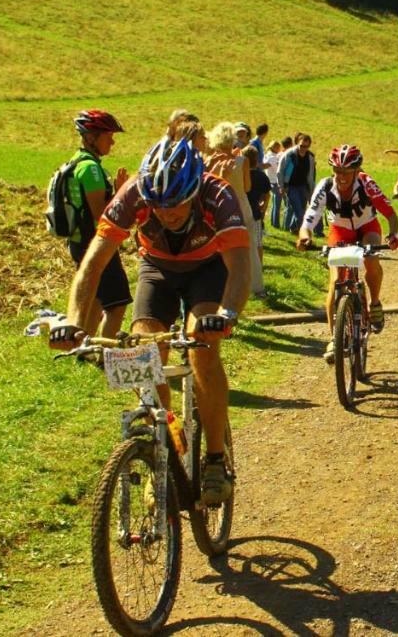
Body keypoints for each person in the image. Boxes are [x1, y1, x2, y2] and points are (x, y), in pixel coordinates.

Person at [50, 138, 250, 506]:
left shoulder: (217, 195)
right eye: (159, 206)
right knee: (143, 351)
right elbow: (92, 264)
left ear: (193, 191)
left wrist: (227, 315)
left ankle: (215, 461)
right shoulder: (133, 195)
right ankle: (164, 443)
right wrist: (75, 321)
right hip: (157, 268)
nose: (167, 214)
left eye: (176, 205)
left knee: (202, 348)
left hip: (207, 270)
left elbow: (240, 265)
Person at [296, 145, 398, 362]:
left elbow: (390, 214)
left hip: (367, 226)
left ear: (356, 170)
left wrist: (393, 235)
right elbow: (309, 218)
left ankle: (375, 302)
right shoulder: (325, 186)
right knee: (335, 282)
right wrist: (305, 236)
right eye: (337, 171)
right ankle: (334, 337)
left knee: (371, 259)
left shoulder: (366, 183)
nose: (341, 176)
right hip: (340, 230)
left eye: (346, 171)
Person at [62, 110, 132, 339]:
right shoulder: (90, 169)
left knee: (97, 300)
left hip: (79, 241)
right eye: (108, 136)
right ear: (91, 137)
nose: (112, 141)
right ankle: (106, 354)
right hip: (95, 242)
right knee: (118, 303)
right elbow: (100, 213)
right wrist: (122, 192)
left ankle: (83, 347)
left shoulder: (76, 162)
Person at [208, 122, 262, 295]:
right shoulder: (242, 160)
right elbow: (247, 187)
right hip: (241, 203)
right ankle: (254, 285)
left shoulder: (211, 163)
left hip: (222, 206)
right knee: (250, 245)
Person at [243, 145, 271, 277]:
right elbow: (267, 195)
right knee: (258, 243)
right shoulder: (261, 176)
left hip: (241, 213)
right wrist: (264, 208)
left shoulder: (241, 175)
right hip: (255, 213)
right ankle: (259, 267)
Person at [280, 133, 315, 234]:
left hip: (303, 187)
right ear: (297, 143)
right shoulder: (289, 154)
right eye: (301, 146)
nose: (303, 148)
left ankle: (292, 228)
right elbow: (280, 171)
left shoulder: (310, 157)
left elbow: (311, 174)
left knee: (302, 208)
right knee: (299, 211)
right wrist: (281, 186)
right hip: (291, 187)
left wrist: (312, 189)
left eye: (306, 146)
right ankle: (303, 233)